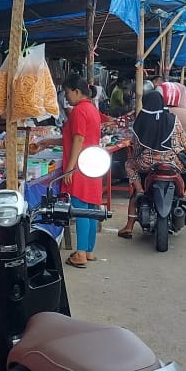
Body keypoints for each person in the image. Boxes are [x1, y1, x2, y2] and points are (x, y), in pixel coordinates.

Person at [118, 91, 186, 238]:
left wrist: (139, 158)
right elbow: (184, 142)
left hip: (147, 163)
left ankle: (137, 200)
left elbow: (136, 147)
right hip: (174, 163)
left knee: (129, 164)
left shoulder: (140, 121)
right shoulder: (172, 119)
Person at [60, 74, 103, 268]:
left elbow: (78, 139)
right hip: (91, 163)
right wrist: (47, 142)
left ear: (77, 92)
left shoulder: (78, 111)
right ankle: (89, 250)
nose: (66, 97)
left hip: (80, 165)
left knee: (81, 209)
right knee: (91, 208)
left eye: (68, 93)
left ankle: (80, 253)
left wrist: (69, 169)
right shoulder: (92, 109)